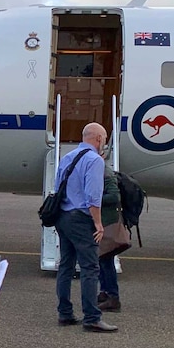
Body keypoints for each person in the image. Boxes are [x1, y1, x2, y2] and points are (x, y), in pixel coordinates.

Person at [54, 122, 118, 332]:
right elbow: (93, 196)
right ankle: (91, 317)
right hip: (81, 219)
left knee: (66, 265)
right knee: (90, 268)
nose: (105, 143)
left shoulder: (67, 157)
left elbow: (57, 188)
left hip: (63, 216)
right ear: (99, 139)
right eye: (105, 139)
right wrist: (98, 223)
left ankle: (65, 313)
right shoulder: (94, 161)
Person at [97, 158, 122, 312]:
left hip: (108, 223)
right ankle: (105, 292)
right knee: (101, 260)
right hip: (102, 222)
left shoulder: (106, 174)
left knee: (106, 261)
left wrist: (94, 200)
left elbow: (114, 197)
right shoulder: (101, 171)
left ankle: (113, 297)